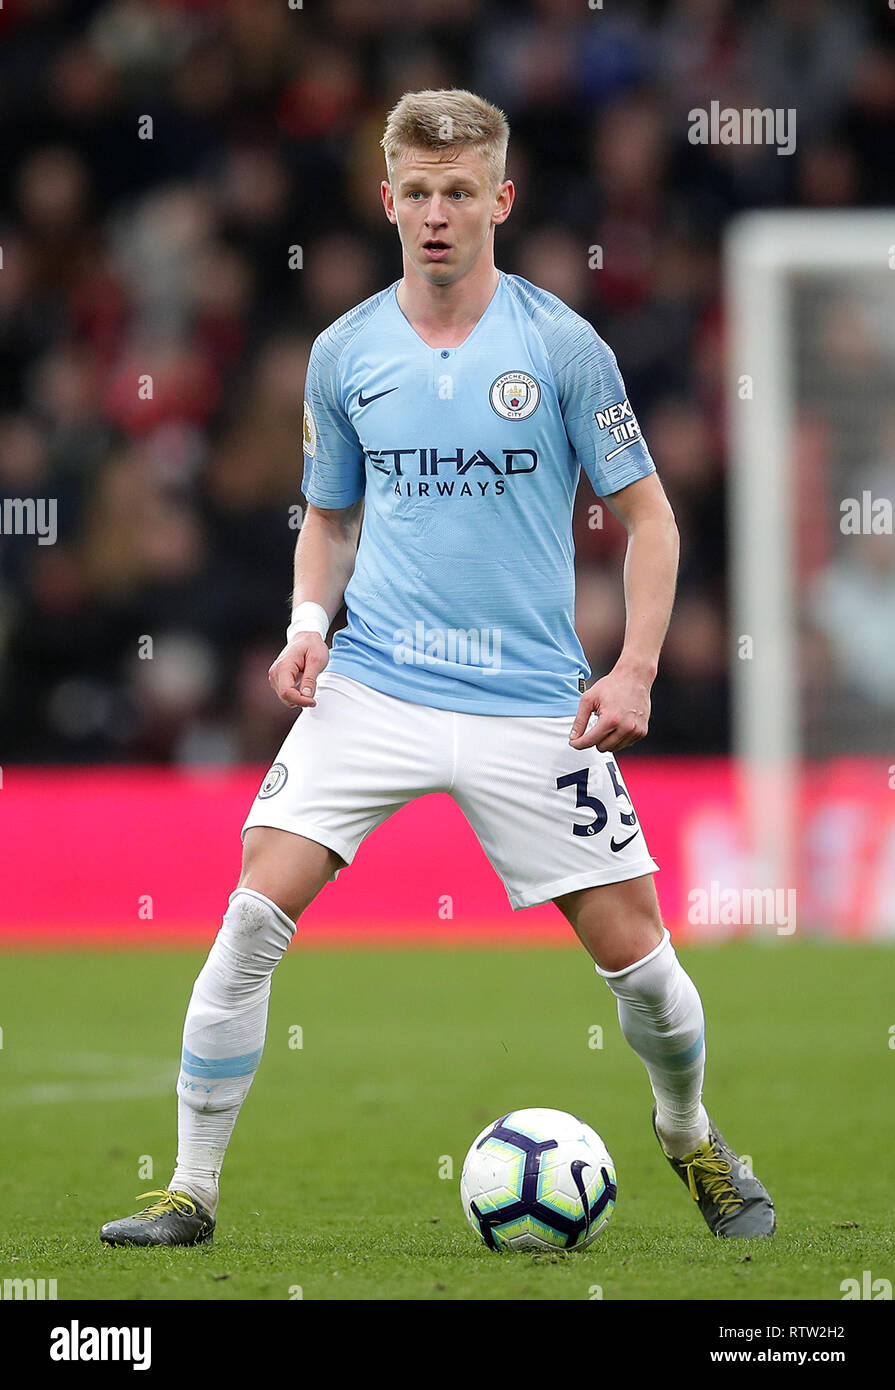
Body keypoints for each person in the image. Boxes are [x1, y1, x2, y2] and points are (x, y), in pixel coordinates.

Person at [101, 89, 774, 1248]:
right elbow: (327, 517)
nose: (435, 213)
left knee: (646, 973)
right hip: (375, 685)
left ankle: (691, 1135)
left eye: (459, 191)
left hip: (532, 707)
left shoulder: (562, 346)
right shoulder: (343, 350)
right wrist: (309, 618)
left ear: (500, 199)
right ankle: (190, 1190)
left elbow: (651, 523)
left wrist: (635, 671)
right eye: (415, 192)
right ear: (386, 201)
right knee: (249, 916)